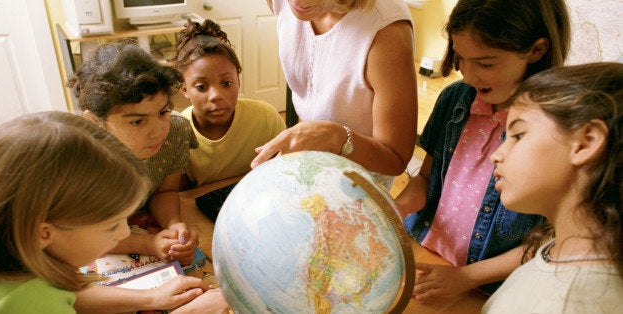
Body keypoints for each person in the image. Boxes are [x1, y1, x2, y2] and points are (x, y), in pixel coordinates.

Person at [394, 0, 571, 300]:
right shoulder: (454, 100)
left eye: (486, 63)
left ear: (536, 50)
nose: (468, 75)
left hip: (484, 287)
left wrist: (466, 277)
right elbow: (425, 180)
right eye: (461, 58)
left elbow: (553, 240)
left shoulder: (555, 128)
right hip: (427, 250)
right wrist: (394, 211)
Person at [0, 111, 226, 313]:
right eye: (112, 225)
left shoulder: (22, 265)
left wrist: (150, 298)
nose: (125, 233)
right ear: (44, 233)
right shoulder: (23, 303)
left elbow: (70, 296)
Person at [483, 62, 623, 313]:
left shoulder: (569, 303)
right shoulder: (562, 249)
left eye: (518, 135)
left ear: (585, 143)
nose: (497, 155)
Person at [252, 0, 418, 188]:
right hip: (311, 166)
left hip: (359, 183)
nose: (297, 2)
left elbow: (395, 159)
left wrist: (334, 137)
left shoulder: (386, 30)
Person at [68, 41, 198, 266]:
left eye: (163, 112)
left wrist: (173, 224)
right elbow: (76, 234)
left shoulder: (176, 131)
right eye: (138, 121)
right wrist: (147, 244)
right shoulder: (78, 160)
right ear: (95, 122)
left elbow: (164, 191)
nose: (158, 132)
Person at [172, 19, 286, 188]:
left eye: (226, 83)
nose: (216, 96)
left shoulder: (266, 117)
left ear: (238, 81)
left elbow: (285, 171)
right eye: (201, 87)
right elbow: (181, 194)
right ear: (185, 90)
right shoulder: (177, 132)